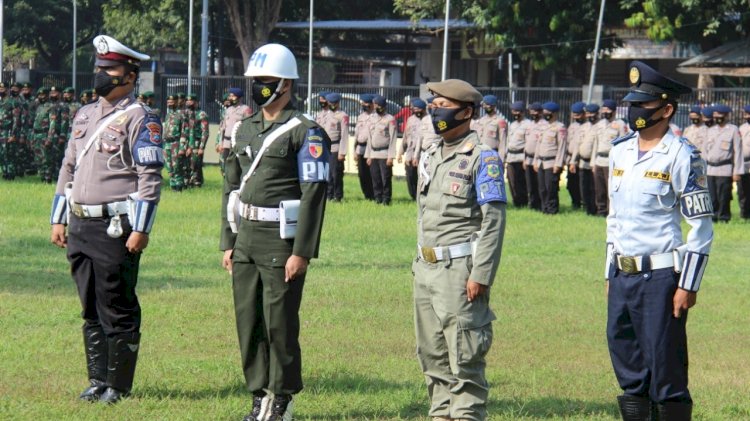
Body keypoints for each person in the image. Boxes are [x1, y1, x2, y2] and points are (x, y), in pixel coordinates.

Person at [49, 35, 162, 404]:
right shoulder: (85, 113)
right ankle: (97, 379)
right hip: (80, 223)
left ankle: (118, 385)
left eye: (109, 69)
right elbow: (68, 165)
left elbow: (149, 176)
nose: (101, 75)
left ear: (129, 76)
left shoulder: (140, 118)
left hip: (116, 226)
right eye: (99, 68)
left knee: (116, 302)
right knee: (89, 304)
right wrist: (58, 219)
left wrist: (141, 228)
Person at [220, 43, 329, 421]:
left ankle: (281, 396)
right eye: (255, 81)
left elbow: (314, 195)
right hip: (246, 236)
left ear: (286, 83)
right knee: (247, 320)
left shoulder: (306, 132)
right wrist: (228, 241)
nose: (259, 87)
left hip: (280, 241)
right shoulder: (244, 129)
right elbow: (230, 186)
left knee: (280, 322)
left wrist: (302, 252)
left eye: (266, 81)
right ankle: (257, 392)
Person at [605, 60, 713, 421]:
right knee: (628, 365)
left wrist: (688, 284)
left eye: (645, 105)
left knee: (666, 370)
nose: (635, 111)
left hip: (661, 279)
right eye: (633, 103)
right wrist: (609, 272)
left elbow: (701, 227)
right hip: (623, 276)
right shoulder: (619, 151)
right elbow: (614, 217)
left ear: (667, 109)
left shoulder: (683, 157)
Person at [414, 78, 507, 421]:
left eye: (443, 106)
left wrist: (481, 274)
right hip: (426, 270)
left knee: (464, 362)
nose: (434, 111)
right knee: (433, 359)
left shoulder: (483, 158)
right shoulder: (432, 153)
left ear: (466, 112)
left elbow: (493, 221)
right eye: (433, 105)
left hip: (459, 274)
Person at [704, 104, 742, 222]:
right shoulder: (710, 130)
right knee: (712, 196)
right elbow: (705, 151)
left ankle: (724, 217)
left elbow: (738, 151)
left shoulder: (733, 130)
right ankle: (713, 216)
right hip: (710, 169)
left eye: (719, 115)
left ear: (726, 116)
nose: (716, 118)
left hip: (725, 168)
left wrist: (737, 171)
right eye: (715, 115)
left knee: (724, 195)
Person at [592, 99, 629, 216]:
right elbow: (595, 144)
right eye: (603, 109)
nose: (605, 112)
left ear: (613, 111)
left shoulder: (620, 124)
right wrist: (593, 162)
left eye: (607, 109)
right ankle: (601, 211)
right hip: (599, 160)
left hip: (611, 161)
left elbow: (624, 144)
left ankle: (611, 212)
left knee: (611, 189)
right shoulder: (599, 124)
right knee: (599, 188)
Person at [533, 101, 567, 214]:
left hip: (552, 163)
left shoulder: (560, 127)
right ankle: (545, 209)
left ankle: (552, 210)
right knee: (542, 189)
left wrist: (558, 164)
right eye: (544, 112)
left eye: (548, 112)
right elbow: (538, 144)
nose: (545, 114)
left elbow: (562, 147)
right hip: (541, 162)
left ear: (554, 113)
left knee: (551, 188)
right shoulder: (543, 127)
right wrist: (535, 161)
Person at [365, 94, 397, 205]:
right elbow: (369, 138)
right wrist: (368, 155)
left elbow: (393, 138)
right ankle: (377, 198)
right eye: (374, 105)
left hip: (385, 153)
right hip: (373, 153)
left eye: (376, 105)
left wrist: (390, 156)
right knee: (375, 178)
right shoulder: (372, 118)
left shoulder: (390, 119)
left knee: (385, 178)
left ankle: (386, 199)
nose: (374, 107)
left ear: (382, 106)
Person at [571, 103, 599, 215]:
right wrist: (573, 161)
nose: (590, 115)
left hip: (594, 163)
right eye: (588, 113)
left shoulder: (599, 127)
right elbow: (577, 145)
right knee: (584, 188)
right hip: (582, 162)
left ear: (597, 114)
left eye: (592, 113)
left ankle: (595, 209)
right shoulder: (583, 127)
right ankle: (587, 209)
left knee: (594, 188)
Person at [218, 88, 253, 176]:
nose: (230, 98)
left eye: (233, 96)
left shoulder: (245, 109)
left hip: (237, 142)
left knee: (237, 165)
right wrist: (220, 143)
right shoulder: (228, 110)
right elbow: (223, 128)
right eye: (230, 96)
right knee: (225, 164)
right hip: (226, 142)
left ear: (239, 97)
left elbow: (248, 127)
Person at [322, 92, 349, 202]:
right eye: (330, 103)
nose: (331, 105)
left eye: (334, 103)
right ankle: (329, 195)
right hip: (325, 148)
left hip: (335, 148)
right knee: (327, 174)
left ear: (337, 103)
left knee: (336, 174)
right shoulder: (326, 115)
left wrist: (342, 152)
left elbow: (344, 134)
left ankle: (338, 196)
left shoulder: (343, 116)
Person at [503, 100, 529, 207]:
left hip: (521, 156)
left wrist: (526, 159)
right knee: (511, 180)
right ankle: (516, 201)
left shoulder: (528, 124)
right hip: (510, 157)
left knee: (521, 181)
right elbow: (508, 141)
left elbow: (528, 142)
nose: (515, 113)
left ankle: (523, 202)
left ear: (523, 112)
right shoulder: (512, 125)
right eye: (513, 111)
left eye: (517, 111)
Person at [399, 97, 425, 200]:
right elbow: (405, 136)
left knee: (421, 175)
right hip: (410, 151)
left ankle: (421, 196)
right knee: (410, 175)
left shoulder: (427, 120)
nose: (414, 110)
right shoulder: (410, 119)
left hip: (422, 152)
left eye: (416, 108)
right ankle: (413, 196)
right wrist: (401, 152)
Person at [163, 94, 188, 191]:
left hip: (176, 143)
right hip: (167, 144)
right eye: (168, 102)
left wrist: (182, 148)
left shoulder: (181, 115)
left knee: (177, 166)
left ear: (177, 102)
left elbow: (184, 132)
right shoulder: (168, 115)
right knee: (169, 167)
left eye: (172, 102)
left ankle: (179, 189)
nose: (170, 104)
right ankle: (172, 186)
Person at [353, 93, 375, 200]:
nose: (363, 105)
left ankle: (374, 194)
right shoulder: (361, 117)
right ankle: (367, 195)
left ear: (372, 104)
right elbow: (356, 135)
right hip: (360, 148)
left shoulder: (376, 117)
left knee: (372, 173)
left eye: (366, 103)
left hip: (371, 149)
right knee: (362, 174)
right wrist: (354, 150)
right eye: (362, 103)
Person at [184, 93, 209, 187]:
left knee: (195, 164)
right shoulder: (186, 114)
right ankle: (188, 183)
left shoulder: (201, 114)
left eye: (191, 101)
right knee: (186, 164)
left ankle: (197, 183)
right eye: (187, 101)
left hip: (197, 143)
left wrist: (201, 147)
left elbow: (205, 132)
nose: (188, 103)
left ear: (196, 102)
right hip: (187, 143)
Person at [524, 102, 545, 210]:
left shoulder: (544, 125)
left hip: (538, 159)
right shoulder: (529, 125)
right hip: (528, 158)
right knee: (530, 184)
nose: (533, 113)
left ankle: (541, 204)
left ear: (541, 112)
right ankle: (532, 204)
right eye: (531, 111)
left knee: (539, 184)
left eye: (535, 111)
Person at [565, 101, 586, 209]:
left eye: (578, 114)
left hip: (581, 159)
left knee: (582, 184)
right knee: (571, 184)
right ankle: (575, 202)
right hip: (570, 158)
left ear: (583, 114)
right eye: (574, 114)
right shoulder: (572, 126)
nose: (575, 117)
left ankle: (583, 203)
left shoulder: (587, 126)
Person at [738, 105, 750, 219]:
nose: (747, 116)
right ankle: (744, 214)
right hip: (744, 164)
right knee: (743, 191)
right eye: (746, 114)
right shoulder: (742, 128)